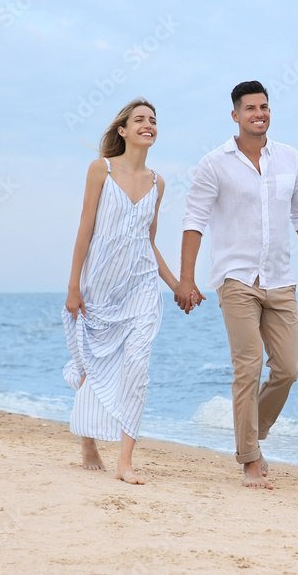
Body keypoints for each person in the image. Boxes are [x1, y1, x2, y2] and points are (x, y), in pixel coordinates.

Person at [175, 80, 298, 489]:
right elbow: (194, 221)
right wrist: (186, 278)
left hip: (280, 279)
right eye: (251, 108)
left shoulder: (290, 158)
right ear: (235, 115)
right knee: (248, 365)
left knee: (288, 368)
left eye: (265, 107)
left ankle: (252, 434)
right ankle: (249, 460)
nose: (260, 113)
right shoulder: (214, 163)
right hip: (235, 278)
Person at [62, 98, 196, 484]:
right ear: (123, 130)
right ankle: (88, 442)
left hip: (140, 287)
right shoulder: (100, 169)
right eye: (139, 119)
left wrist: (177, 286)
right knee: (93, 364)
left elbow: (147, 242)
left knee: (136, 367)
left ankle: (125, 460)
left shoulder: (158, 182)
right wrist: (74, 286)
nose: (148, 124)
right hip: (98, 285)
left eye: (153, 120)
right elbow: (85, 230)